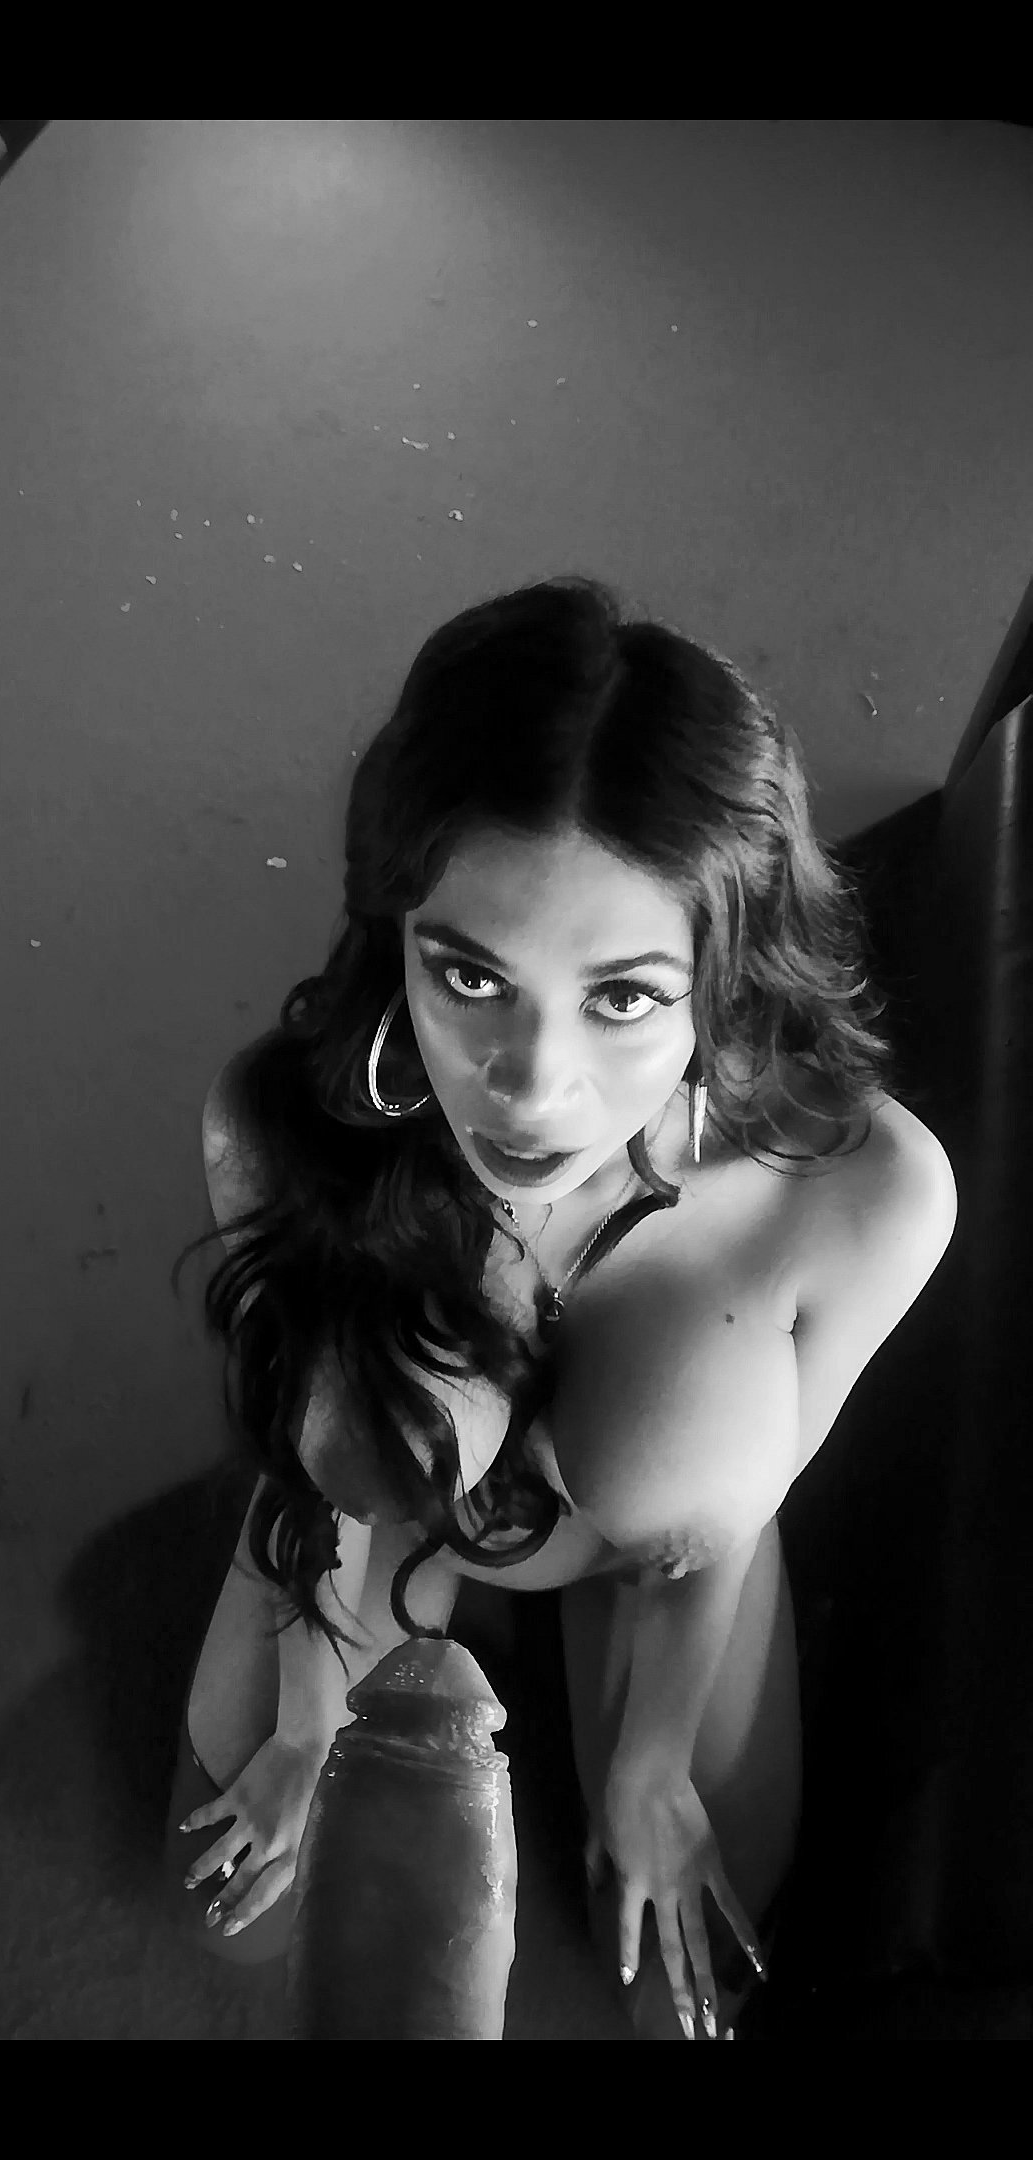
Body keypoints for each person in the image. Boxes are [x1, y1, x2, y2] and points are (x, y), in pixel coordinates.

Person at [165, 575, 948, 2036]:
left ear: (723, 971)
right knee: (239, 1927)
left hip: (653, 1561)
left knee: (677, 2012)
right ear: (397, 933)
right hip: (380, 1520)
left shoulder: (863, 1196)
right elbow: (312, 1463)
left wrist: (652, 1766)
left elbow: (743, 1503)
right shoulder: (284, 1129)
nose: (530, 1088)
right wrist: (308, 1719)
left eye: (625, 995)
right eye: (470, 975)